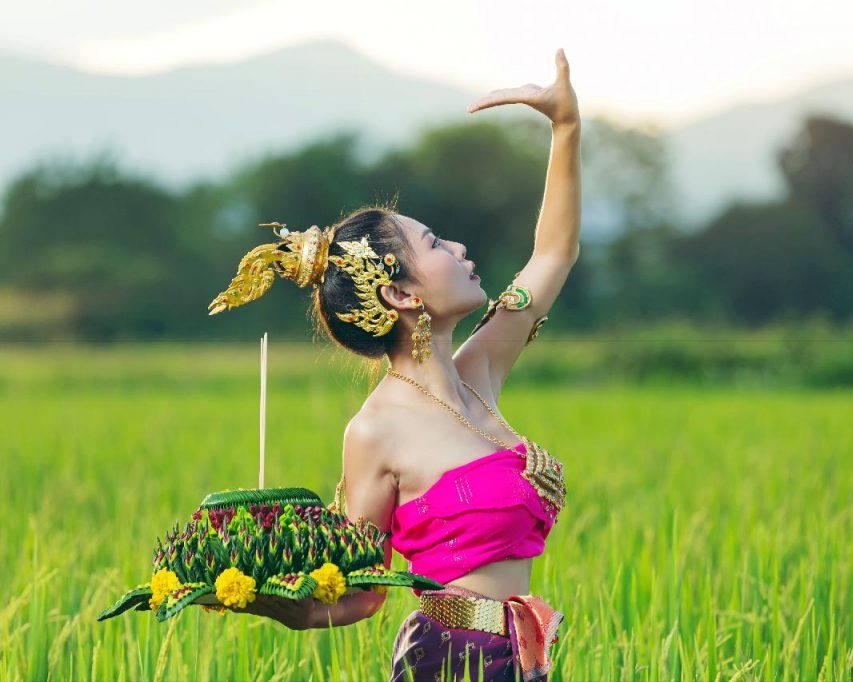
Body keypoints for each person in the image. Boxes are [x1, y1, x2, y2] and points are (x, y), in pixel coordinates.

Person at [209, 47, 581, 682]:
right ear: (402, 294)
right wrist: (282, 607)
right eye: (435, 244)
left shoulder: (479, 373)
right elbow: (363, 590)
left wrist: (566, 127)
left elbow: (553, 255)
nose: (459, 247)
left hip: (520, 657)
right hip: (448, 658)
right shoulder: (375, 430)